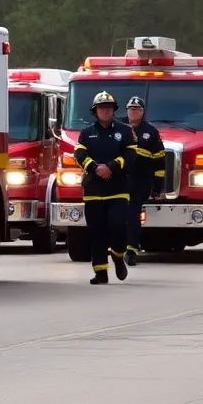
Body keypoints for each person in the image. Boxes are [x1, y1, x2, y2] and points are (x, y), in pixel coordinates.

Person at [73, 91, 138, 284]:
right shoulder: (86, 133)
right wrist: (95, 168)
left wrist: (110, 167)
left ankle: (118, 256)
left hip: (118, 189)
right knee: (97, 232)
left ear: (114, 110)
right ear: (95, 111)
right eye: (101, 108)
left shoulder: (125, 131)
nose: (105, 111)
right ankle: (100, 272)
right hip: (93, 191)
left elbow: (131, 156)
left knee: (118, 226)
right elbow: (79, 155)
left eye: (108, 108)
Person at [124, 96, 166, 266]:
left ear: (142, 112)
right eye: (131, 109)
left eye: (137, 109)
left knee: (132, 215)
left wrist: (157, 186)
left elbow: (160, 161)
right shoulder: (118, 129)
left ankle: (131, 249)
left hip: (140, 182)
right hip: (120, 181)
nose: (133, 112)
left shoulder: (151, 132)